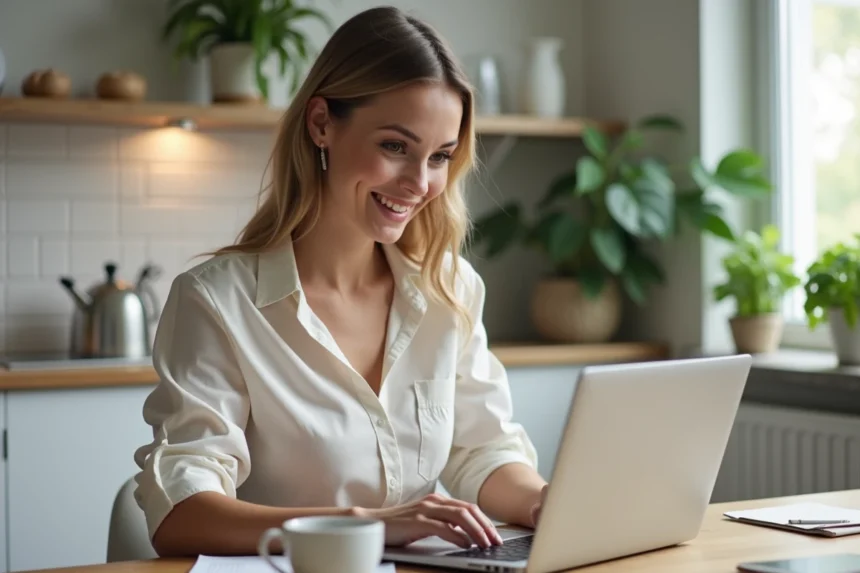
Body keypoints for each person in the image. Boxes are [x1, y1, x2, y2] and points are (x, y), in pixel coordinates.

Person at [132, 5, 548, 559]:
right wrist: (366, 524)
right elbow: (181, 514)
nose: (420, 183)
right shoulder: (216, 301)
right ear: (321, 124)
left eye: (440, 157)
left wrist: (548, 502)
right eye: (395, 147)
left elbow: (483, 450)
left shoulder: (449, 288)